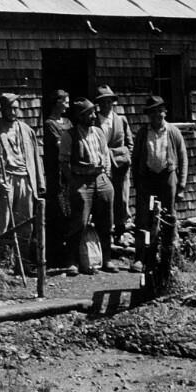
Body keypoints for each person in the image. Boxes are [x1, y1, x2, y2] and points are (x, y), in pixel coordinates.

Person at [0, 93, 46, 272]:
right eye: (10, 108)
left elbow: (36, 157)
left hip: (25, 179)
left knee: (25, 224)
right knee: (0, 225)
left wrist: (39, 182)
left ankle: (22, 264)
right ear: (3, 109)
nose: (13, 112)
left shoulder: (27, 131)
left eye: (16, 108)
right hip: (5, 180)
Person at [130, 95, 188, 273]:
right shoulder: (143, 133)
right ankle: (140, 258)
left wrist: (181, 185)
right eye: (153, 112)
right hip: (147, 179)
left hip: (167, 178)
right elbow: (135, 159)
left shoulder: (173, 132)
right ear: (148, 115)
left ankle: (168, 258)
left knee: (168, 217)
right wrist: (137, 182)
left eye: (160, 111)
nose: (157, 115)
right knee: (143, 218)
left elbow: (183, 158)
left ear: (165, 112)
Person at [66, 98, 117, 275]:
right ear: (80, 117)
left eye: (94, 112)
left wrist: (106, 177)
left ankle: (107, 259)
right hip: (81, 181)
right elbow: (63, 163)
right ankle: (73, 261)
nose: (94, 116)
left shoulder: (99, 132)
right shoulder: (70, 135)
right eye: (89, 114)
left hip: (101, 179)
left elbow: (106, 155)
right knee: (79, 223)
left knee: (106, 222)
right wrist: (73, 182)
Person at [93, 85, 134, 241]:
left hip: (120, 166)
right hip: (101, 167)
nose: (106, 105)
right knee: (103, 198)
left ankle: (120, 230)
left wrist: (126, 157)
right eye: (103, 102)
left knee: (121, 198)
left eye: (109, 102)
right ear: (98, 104)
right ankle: (105, 232)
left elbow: (130, 143)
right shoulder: (94, 121)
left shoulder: (121, 120)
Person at [43, 89, 73, 266]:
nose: (67, 105)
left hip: (70, 171)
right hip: (57, 172)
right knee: (58, 210)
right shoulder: (50, 124)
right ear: (57, 102)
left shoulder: (68, 122)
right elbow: (60, 144)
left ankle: (69, 252)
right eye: (65, 101)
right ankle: (56, 254)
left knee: (70, 210)